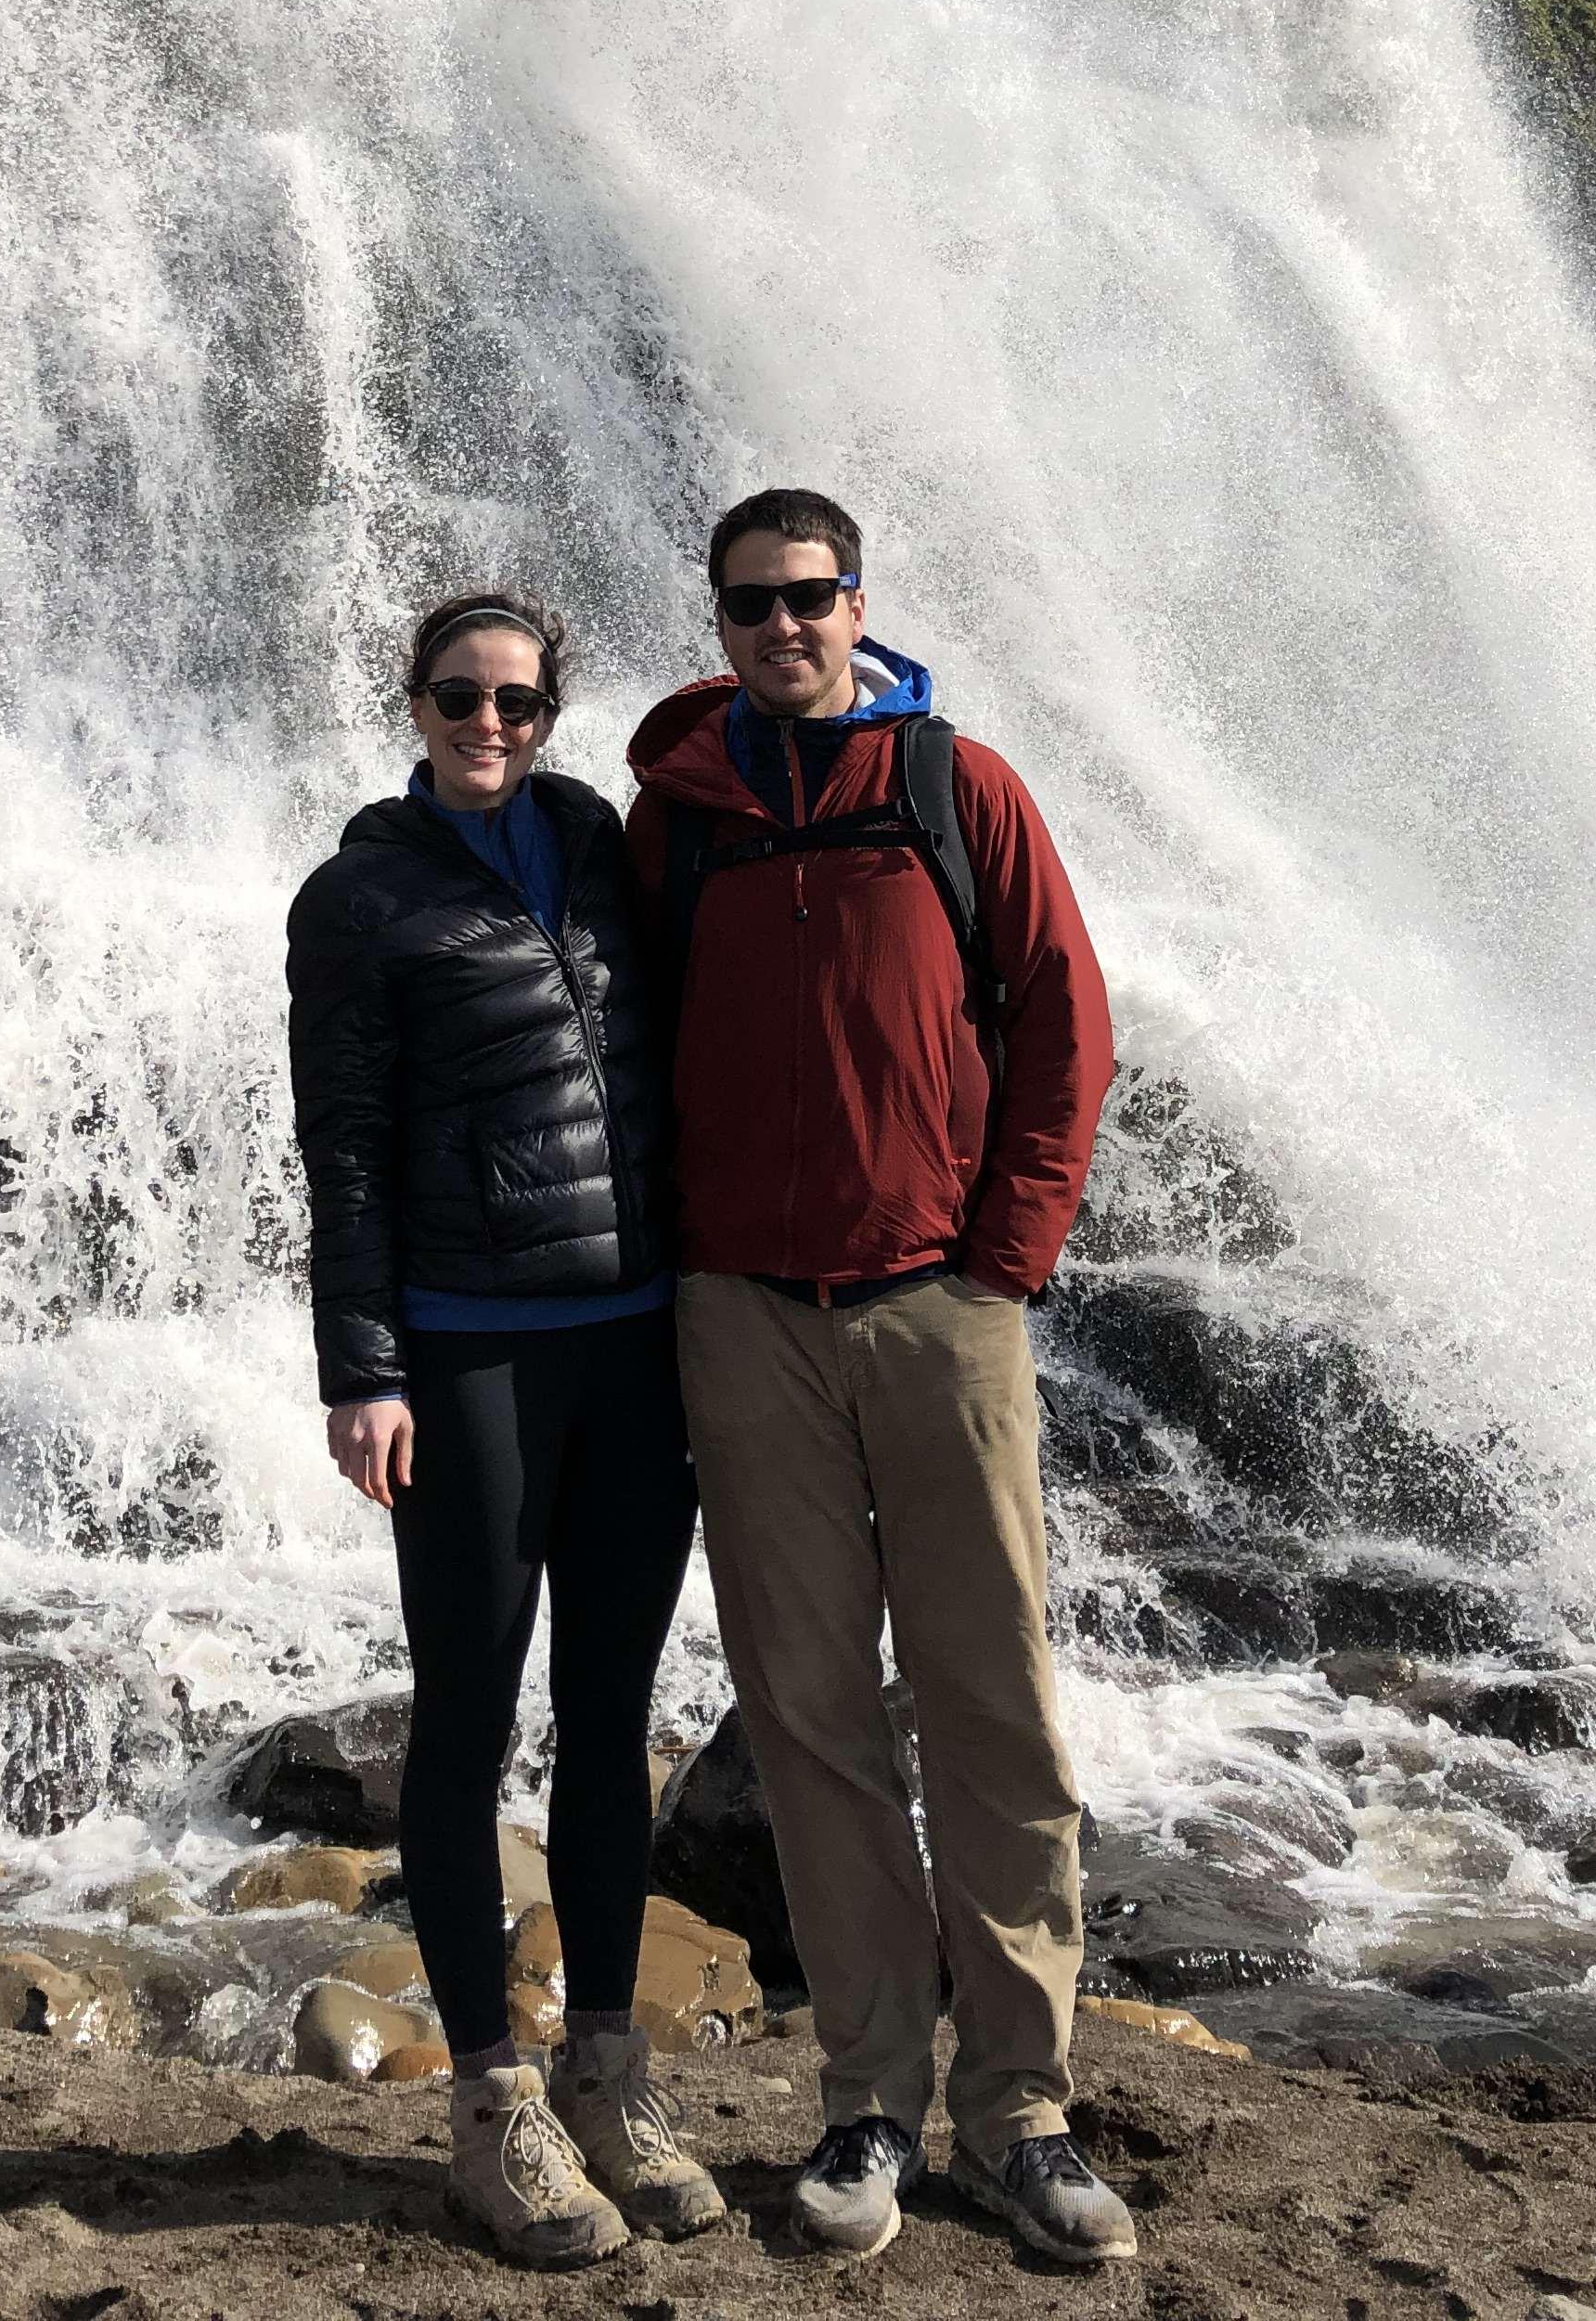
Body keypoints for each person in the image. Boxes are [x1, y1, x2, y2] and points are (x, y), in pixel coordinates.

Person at [624, 488, 1137, 2267]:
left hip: (941, 1303)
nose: (784, 624)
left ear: (860, 605)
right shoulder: (677, 817)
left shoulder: (956, 788)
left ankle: (1024, 2109)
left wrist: (1009, 1255)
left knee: (993, 1702)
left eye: (812, 595)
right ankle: (870, 2099)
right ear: (719, 621)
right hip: (743, 1315)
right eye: (751, 602)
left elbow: (1066, 1021)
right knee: (811, 1719)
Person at [284, 587, 727, 2269]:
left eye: (520, 703)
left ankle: (608, 2076)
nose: (491, 725)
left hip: (635, 1344)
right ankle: (492, 2105)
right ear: (413, 703)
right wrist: (363, 1370)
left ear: (554, 713)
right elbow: (343, 1147)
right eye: (461, 697)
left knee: (610, 1717)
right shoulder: (361, 897)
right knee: (468, 1721)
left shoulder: (602, 846)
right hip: (469, 1356)